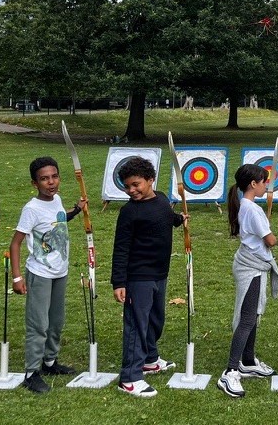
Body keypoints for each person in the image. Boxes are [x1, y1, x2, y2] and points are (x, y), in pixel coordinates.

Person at [9, 157, 86, 393]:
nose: (50, 183)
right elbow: (15, 244)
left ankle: (50, 362)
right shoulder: (31, 209)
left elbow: (58, 222)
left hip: (59, 272)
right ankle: (32, 373)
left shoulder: (57, 200)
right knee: (38, 325)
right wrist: (17, 277)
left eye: (54, 177)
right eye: (44, 179)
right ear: (35, 183)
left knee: (56, 322)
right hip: (39, 274)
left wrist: (76, 210)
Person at [111, 157, 184, 398]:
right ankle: (130, 377)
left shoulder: (162, 199)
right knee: (136, 325)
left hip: (159, 273)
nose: (131, 190)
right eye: (127, 186)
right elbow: (120, 248)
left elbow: (165, 217)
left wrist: (179, 220)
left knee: (155, 319)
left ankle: (150, 359)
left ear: (151, 180)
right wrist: (119, 282)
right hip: (137, 276)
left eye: (136, 184)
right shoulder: (129, 212)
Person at [217, 164, 278, 398]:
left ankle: (247, 360)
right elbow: (270, 240)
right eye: (264, 181)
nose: (267, 185)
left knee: (252, 314)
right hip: (251, 267)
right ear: (253, 184)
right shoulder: (252, 210)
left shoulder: (247, 205)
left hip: (251, 264)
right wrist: (270, 231)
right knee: (247, 319)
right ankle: (231, 371)